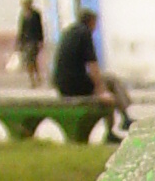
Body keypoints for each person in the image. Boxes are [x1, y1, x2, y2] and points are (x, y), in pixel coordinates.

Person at [51, 7, 131, 139]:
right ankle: (118, 125)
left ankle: (124, 118)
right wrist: (101, 91)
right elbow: (92, 65)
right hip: (74, 85)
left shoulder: (70, 31)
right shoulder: (85, 33)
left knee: (107, 83)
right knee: (109, 86)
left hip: (63, 84)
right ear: (91, 21)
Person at [15, 0, 45, 84]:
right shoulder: (22, 14)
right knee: (29, 61)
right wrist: (19, 42)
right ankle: (33, 79)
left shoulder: (36, 14)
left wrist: (41, 40)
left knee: (32, 59)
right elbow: (21, 28)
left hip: (34, 40)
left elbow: (39, 27)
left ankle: (36, 77)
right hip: (25, 40)